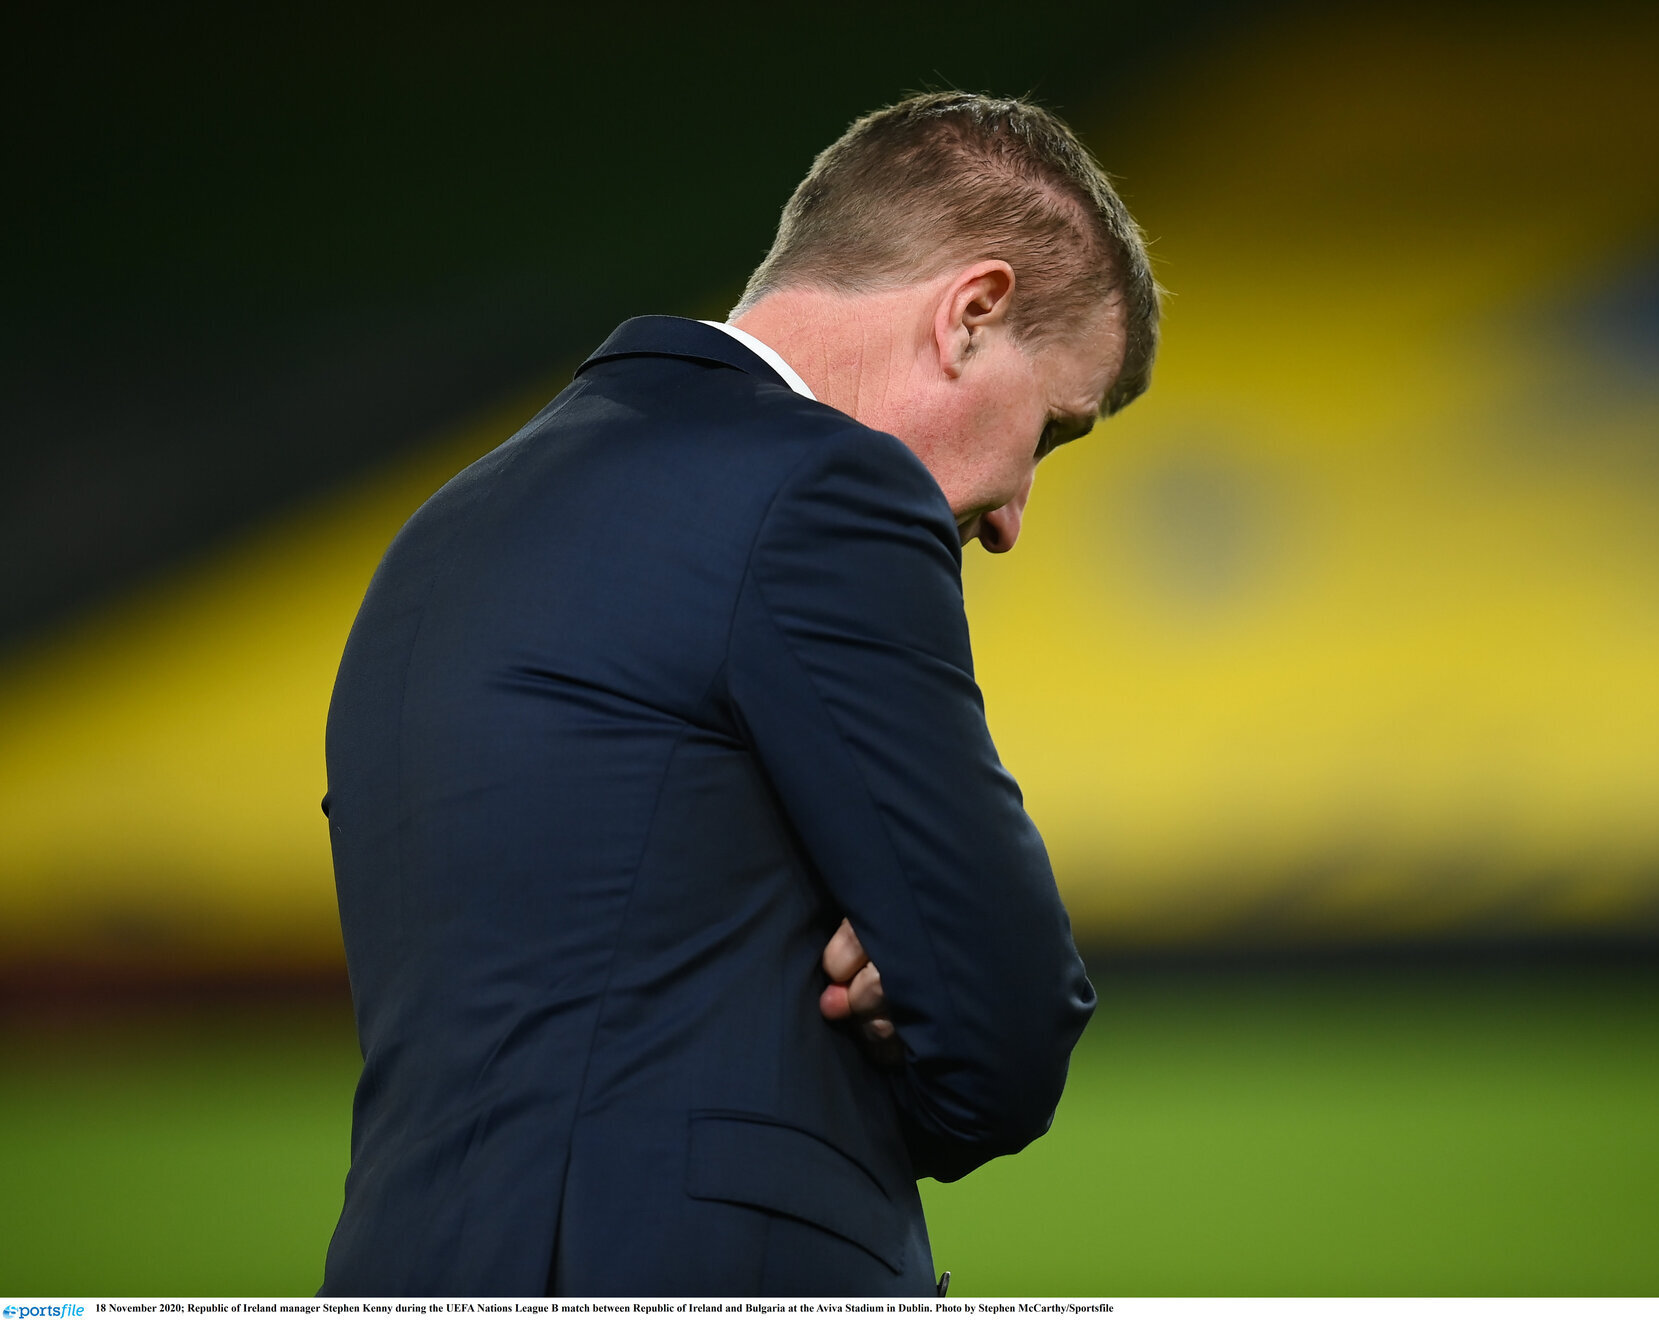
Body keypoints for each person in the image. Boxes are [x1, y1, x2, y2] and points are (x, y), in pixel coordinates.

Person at [319, 91, 1160, 1297]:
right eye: (1052, 432)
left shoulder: (441, 533)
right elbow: (1007, 1025)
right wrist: (908, 993)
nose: (1013, 517)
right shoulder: (828, 488)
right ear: (971, 313)